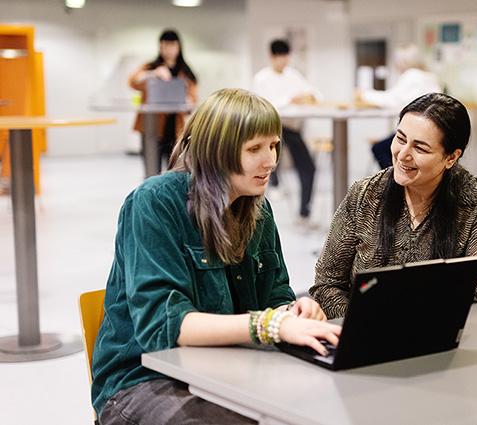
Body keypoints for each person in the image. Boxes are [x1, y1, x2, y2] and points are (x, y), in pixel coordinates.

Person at [91, 88, 341, 424]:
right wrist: (270, 325)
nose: (270, 160)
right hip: (143, 380)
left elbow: (275, 296)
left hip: (229, 369)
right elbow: (162, 327)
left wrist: (291, 311)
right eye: (254, 149)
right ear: (216, 151)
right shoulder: (154, 202)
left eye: (273, 145)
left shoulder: (259, 210)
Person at [310, 93, 477, 319]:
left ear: (451, 157)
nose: (402, 155)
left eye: (420, 148)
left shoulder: (475, 200)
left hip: (437, 329)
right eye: (400, 139)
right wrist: (365, 321)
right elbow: (326, 284)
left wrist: (407, 313)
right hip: (363, 332)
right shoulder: (365, 195)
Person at [252, 39, 319, 222]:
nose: (283, 61)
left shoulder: (293, 75)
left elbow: (312, 92)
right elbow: (263, 106)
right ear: (272, 57)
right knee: (268, 161)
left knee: (308, 168)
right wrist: (290, 99)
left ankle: (304, 211)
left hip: (292, 128)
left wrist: (310, 96)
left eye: (286, 57)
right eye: (280, 57)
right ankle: (273, 182)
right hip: (271, 128)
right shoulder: (261, 78)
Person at [357, 44, 441, 169]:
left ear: (404, 61)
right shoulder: (429, 76)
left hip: (417, 130)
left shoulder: (412, 75)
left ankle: (395, 178)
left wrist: (364, 94)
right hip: (432, 130)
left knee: (379, 149)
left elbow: (392, 100)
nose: (396, 65)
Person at [128, 29, 198, 173]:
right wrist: (153, 73)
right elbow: (133, 81)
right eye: (165, 45)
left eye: (172, 45)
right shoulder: (151, 67)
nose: (169, 50)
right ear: (160, 47)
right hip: (151, 127)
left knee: (175, 170)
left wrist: (186, 100)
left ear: (179, 47)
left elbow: (193, 98)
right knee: (151, 171)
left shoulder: (186, 72)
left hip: (175, 129)